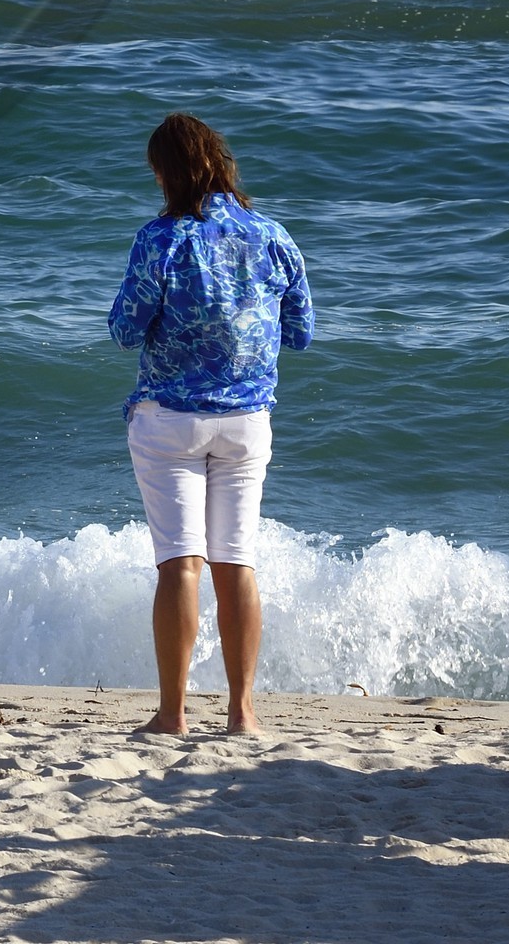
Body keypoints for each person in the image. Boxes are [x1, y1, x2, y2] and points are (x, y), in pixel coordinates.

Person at [109, 113, 314, 737]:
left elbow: (124, 330)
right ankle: (242, 712)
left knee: (180, 564)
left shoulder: (161, 239)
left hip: (170, 419)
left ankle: (172, 715)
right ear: (222, 164)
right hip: (248, 421)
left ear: (165, 172)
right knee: (237, 563)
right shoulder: (274, 235)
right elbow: (301, 330)